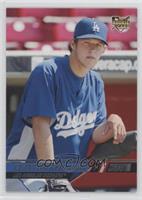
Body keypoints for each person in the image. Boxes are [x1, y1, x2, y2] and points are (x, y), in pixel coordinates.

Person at [6, 17, 129, 192]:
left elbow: (95, 132)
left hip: (59, 178)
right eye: (87, 43)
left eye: (98, 45)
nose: (92, 49)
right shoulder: (48, 72)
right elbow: (41, 126)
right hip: (24, 171)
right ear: (73, 44)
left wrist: (113, 120)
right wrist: (52, 176)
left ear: (104, 50)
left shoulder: (96, 81)